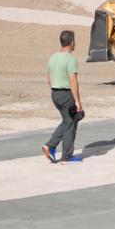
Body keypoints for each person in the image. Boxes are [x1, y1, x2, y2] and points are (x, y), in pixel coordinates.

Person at [42, 30, 83, 164]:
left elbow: (48, 77)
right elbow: (72, 80)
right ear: (72, 42)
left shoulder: (53, 57)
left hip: (54, 93)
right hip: (66, 94)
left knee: (67, 121)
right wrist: (77, 101)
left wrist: (55, 90)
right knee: (70, 122)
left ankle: (54, 148)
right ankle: (64, 155)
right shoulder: (71, 59)